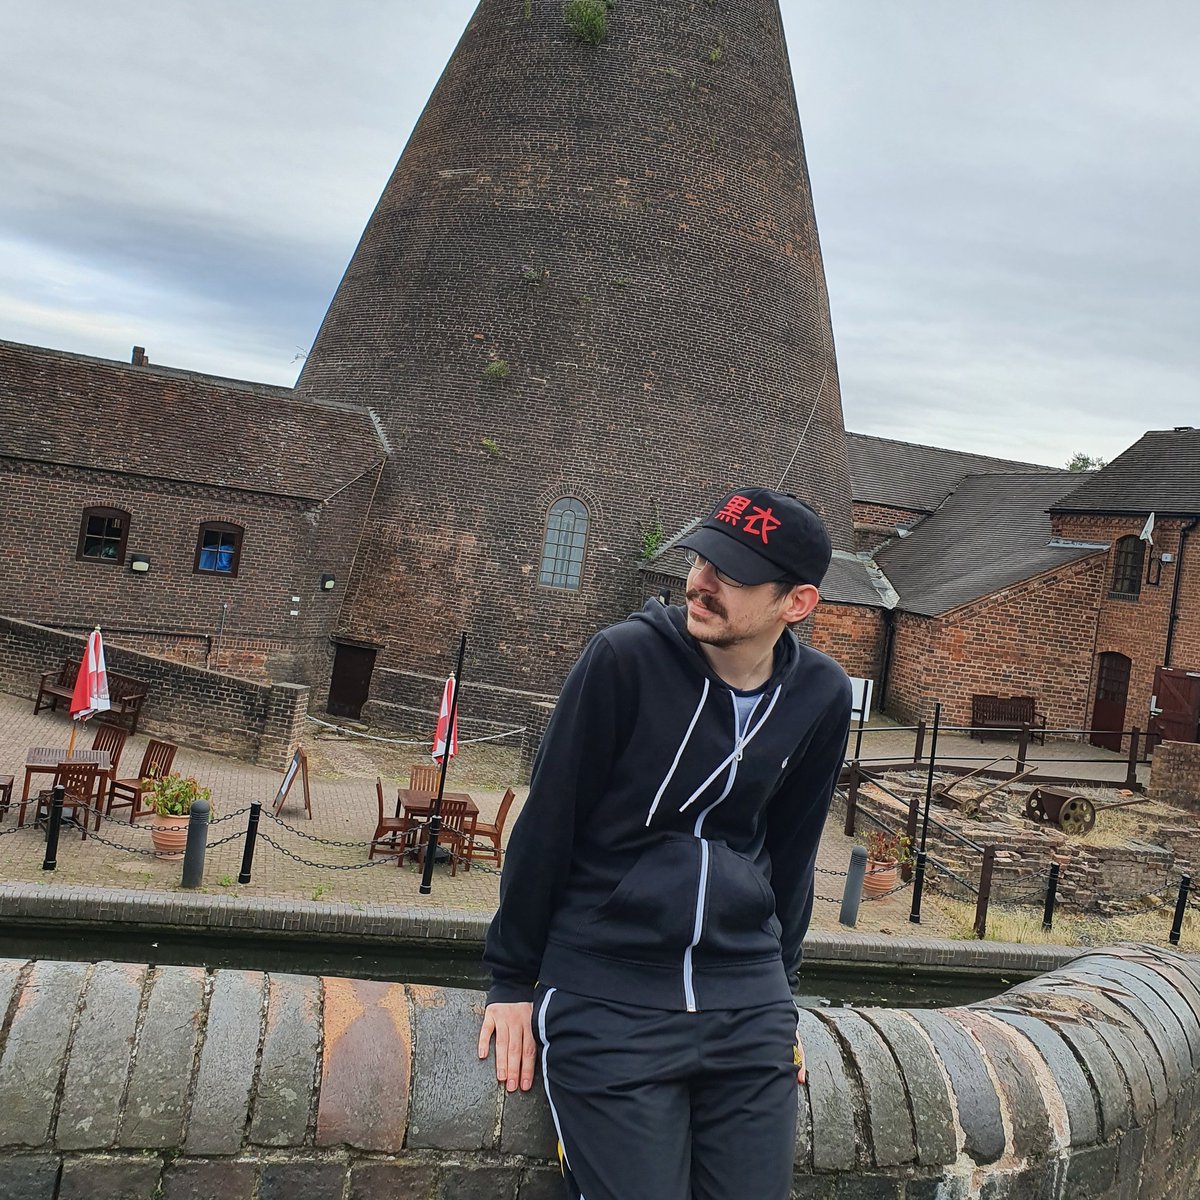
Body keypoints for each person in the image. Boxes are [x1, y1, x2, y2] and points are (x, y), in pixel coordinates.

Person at [478, 486, 852, 1200]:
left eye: (734, 574)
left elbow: (794, 852)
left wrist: (782, 996)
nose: (700, 582)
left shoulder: (822, 696)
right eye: (702, 557)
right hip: (607, 995)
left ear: (795, 603)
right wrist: (509, 981)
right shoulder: (623, 659)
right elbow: (547, 824)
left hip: (746, 1004)